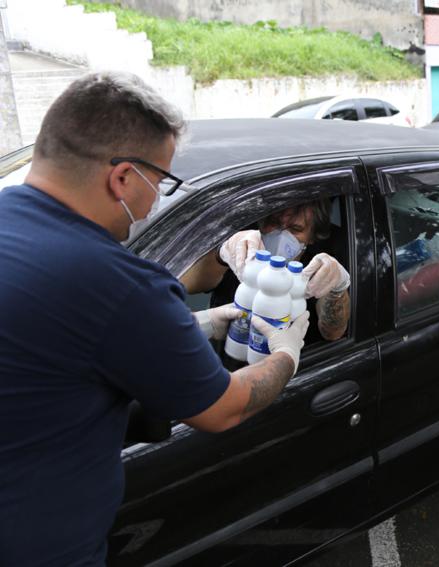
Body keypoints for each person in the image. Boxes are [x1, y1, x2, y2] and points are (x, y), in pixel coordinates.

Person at [0, 71, 309, 566]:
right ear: (121, 177)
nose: (156, 201)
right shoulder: (120, 284)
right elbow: (221, 409)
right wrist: (287, 357)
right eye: (161, 183)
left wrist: (185, 328)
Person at [180, 200, 351, 343]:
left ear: (312, 237)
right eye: (274, 224)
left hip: (294, 366)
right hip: (228, 358)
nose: (281, 235)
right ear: (261, 223)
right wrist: (220, 255)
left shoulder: (319, 264)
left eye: (295, 229)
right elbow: (185, 284)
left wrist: (338, 289)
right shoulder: (243, 249)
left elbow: (332, 332)